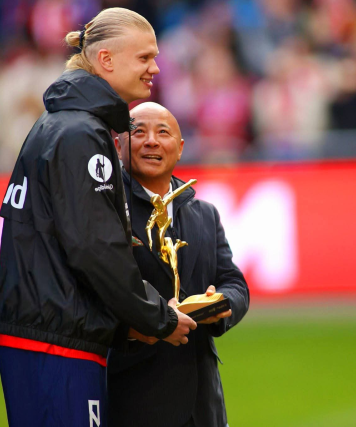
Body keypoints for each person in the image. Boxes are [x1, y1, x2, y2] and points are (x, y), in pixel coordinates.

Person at [0, 9, 197, 427]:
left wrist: (126, 327)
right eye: (144, 58)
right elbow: (96, 248)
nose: (155, 68)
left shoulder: (67, 125)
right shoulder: (80, 133)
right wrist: (157, 317)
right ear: (106, 60)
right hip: (55, 344)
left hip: (51, 335)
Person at [109, 102, 250, 427]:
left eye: (163, 132)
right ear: (118, 145)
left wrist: (220, 304)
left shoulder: (205, 213)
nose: (151, 141)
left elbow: (235, 283)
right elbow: (100, 293)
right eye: (138, 132)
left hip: (203, 404)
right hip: (135, 400)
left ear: (181, 147)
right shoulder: (108, 209)